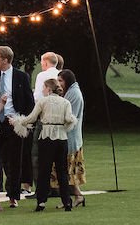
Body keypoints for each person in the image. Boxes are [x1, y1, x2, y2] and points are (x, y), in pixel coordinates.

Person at [15, 76, 78, 212]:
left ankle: (41, 201)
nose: (43, 90)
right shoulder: (65, 102)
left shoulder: (43, 102)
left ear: (49, 88)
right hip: (61, 138)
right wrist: (68, 122)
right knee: (62, 171)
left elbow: (32, 117)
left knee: (44, 170)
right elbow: (68, 118)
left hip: (46, 137)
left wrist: (19, 122)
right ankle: (66, 201)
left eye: (44, 87)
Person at [0, 45, 35, 207]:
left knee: (14, 160)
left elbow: (29, 101)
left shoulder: (21, 77)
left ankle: (13, 195)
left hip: (14, 123)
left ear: (5, 60)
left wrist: (22, 120)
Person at [56, 69, 87, 208]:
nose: (59, 84)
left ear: (67, 81)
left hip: (71, 137)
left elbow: (69, 117)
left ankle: (78, 195)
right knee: (66, 170)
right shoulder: (70, 92)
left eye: (61, 81)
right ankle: (71, 197)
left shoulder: (73, 94)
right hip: (69, 135)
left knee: (69, 169)